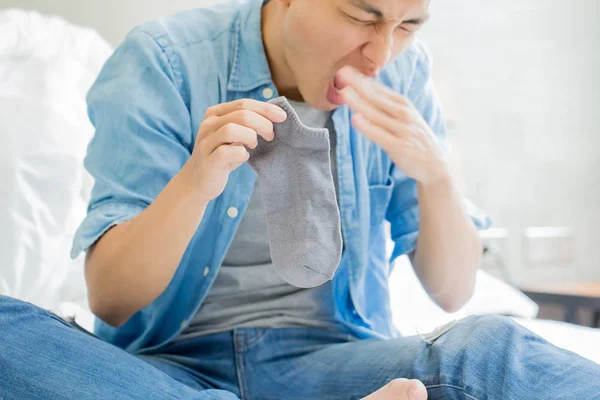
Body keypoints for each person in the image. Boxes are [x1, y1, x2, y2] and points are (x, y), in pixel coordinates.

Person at [1, 0, 599, 399]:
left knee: (490, 346)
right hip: (167, 366)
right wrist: (195, 183)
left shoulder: (403, 74)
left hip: (333, 364)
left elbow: (452, 290)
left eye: (409, 25)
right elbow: (111, 300)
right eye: (363, 15)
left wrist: (437, 176)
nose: (381, 53)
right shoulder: (165, 61)